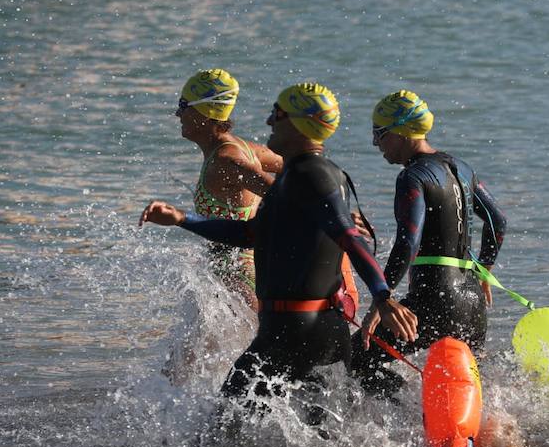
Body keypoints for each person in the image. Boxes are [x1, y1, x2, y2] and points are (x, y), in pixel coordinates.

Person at [142, 83, 418, 408]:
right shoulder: (300, 176)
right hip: (305, 329)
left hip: (295, 332)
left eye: (277, 113)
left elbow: (349, 237)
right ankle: (412, 416)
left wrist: (383, 296)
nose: (269, 121)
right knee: (320, 428)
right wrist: (181, 219)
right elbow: (251, 234)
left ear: (300, 123)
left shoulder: (311, 175)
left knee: (223, 425)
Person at [351, 90, 508, 397]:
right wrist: (485, 269)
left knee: (357, 356)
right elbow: (497, 221)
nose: (375, 144)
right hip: (473, 304)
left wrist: (382, 300)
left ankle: (406, 412)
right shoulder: (463, 168)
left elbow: (408, 242)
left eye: (379, 134)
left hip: (435, 299)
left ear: (400, 132)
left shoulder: (413, 176)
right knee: (465, 385)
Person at [174, 69, 282, 307]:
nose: (177, 113)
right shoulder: (241, 148)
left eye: (183, 105)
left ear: (205, 113)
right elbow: (297, 165)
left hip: (238, 276)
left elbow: (284, 195)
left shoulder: (226, 160)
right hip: (236, 271)